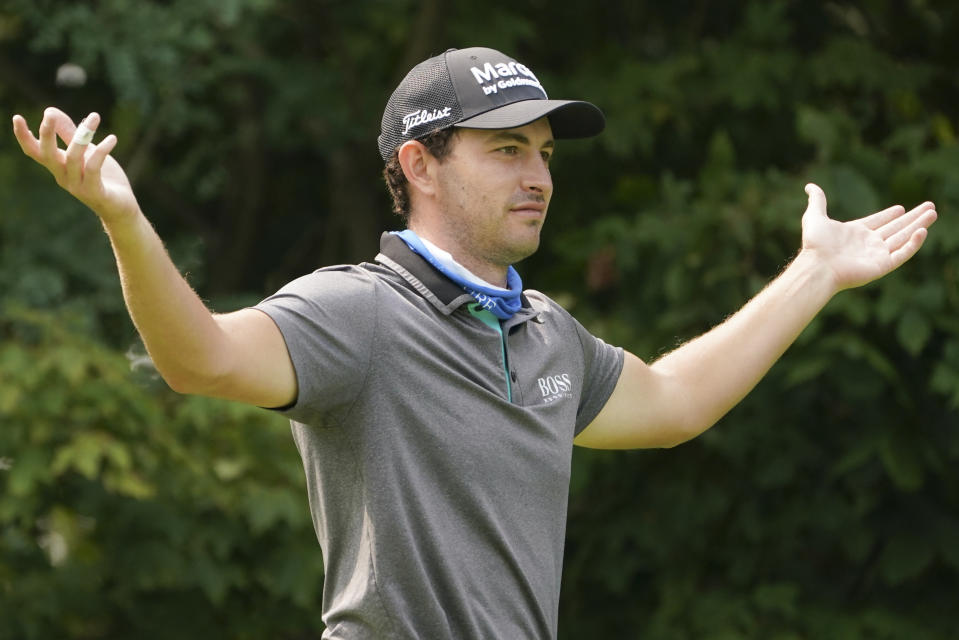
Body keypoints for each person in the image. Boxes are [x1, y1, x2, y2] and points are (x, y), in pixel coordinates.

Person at [12, 46, 937, 639]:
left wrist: (815, 271)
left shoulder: (546, 335)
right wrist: (124, 221)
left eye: (543, 151)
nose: (537, 175)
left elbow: (675, 403)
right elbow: (200, 358)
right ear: (418, 164)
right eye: (505, 151)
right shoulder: (358, 313)